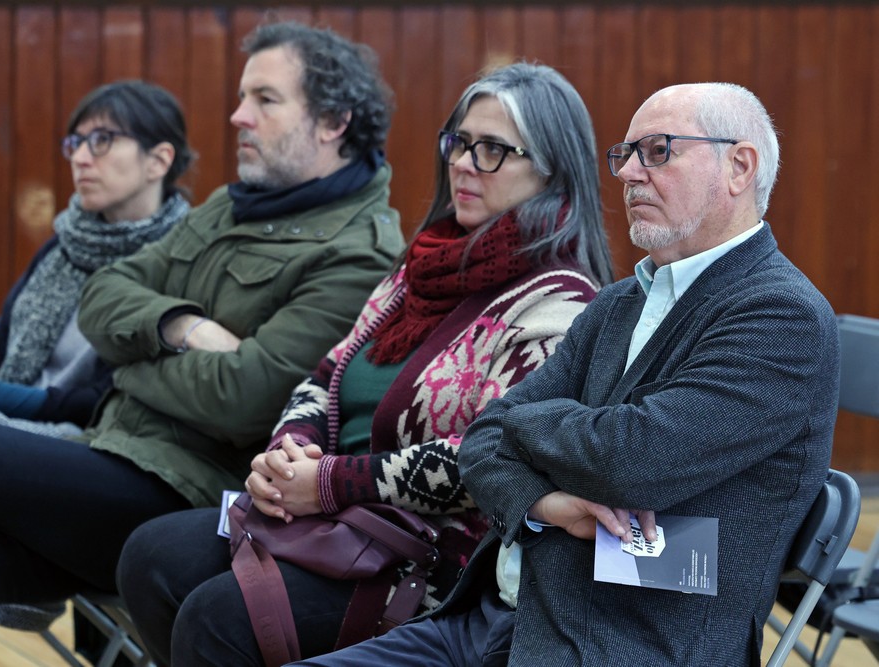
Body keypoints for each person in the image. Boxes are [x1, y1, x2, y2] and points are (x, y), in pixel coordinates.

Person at [0, 21, 403, 666]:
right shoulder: (231, 206)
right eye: (243, 97)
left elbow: (244, 399)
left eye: (265, 100)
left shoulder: (356, 254)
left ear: (333, 122)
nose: (238, 116)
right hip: (112, 454)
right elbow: (105, 291)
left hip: (190, 494)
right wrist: (179, 328)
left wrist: (128, 371)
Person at [284, 83, 840, 666]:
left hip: (624, 645)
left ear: (739, 166)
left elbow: (632, 459)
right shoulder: (621, 302)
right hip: (498, 616)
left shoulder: (782, 317)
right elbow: (482, 441)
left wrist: (530, 422)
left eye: (658, 152)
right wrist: (546, 503)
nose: (628, 174)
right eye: (625, 155)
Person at [117, 61, 615, 667]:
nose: (461, 162)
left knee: (217, 619)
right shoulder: (422, 266)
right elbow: (327, 374)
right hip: (332, 516)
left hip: (433, 559)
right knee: (149, 556)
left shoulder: (561, 304)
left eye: (492, 150)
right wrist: (288, 453)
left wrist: (327, 483)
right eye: (458, 141)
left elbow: (494, 458)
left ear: (552, 171)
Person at [0, 79, 195, 662]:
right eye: (75, 140)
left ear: (160, 158)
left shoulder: (180, 262)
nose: (79, 156)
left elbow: (109, 401)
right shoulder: (63, 245)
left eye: (102, 140)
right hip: (5, 433)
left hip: (93, 450)